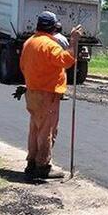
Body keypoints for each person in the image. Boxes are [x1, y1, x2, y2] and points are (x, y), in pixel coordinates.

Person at [19, 11, 83, 180]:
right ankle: (43, 166)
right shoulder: (49, 45)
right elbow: (67, 61)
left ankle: (31, 162)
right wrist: (74, 41)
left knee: (35, 129)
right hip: (47, 94)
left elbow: (23, 66)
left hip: (32, 91)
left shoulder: (29, 43)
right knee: (46, 130)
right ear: (53, 27)